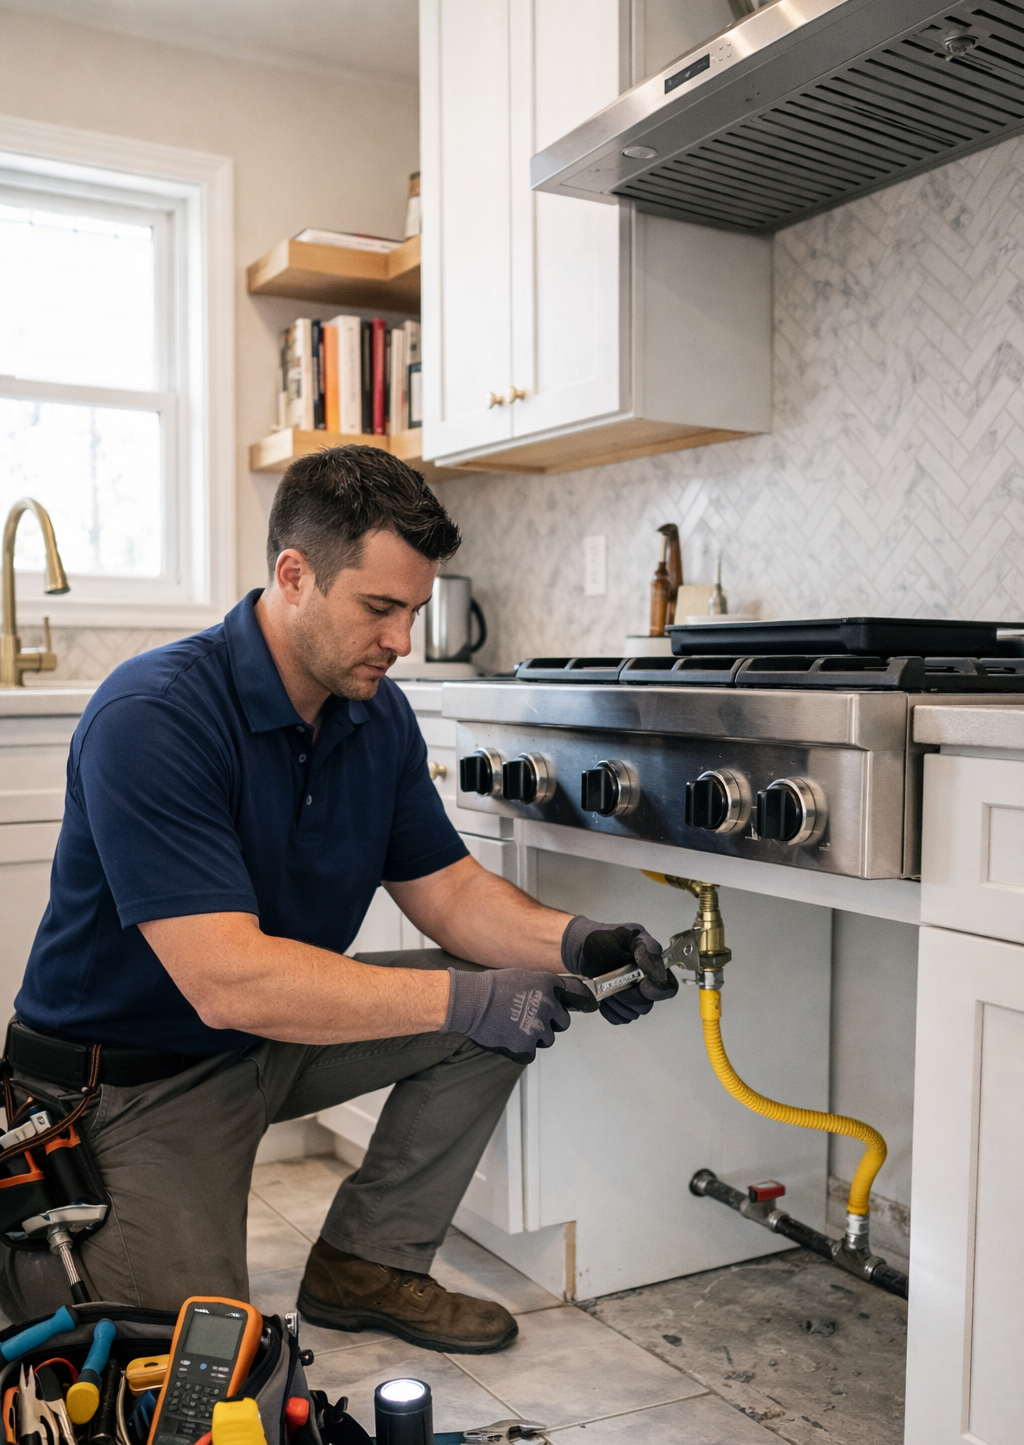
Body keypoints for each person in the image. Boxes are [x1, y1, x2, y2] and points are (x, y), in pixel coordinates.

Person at [0, 446, 677, 1351]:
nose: (402, 640)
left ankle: (368, 1265)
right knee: (187, 1372)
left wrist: (573, 943)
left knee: (507, 992)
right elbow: (228, 981)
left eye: (415, 611)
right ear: (294, 576)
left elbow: (448, 890)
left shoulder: (374, 713)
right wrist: (469, 995)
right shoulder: (154, 715)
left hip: (262, 1040)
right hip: (126, 1083)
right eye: (379, 608)